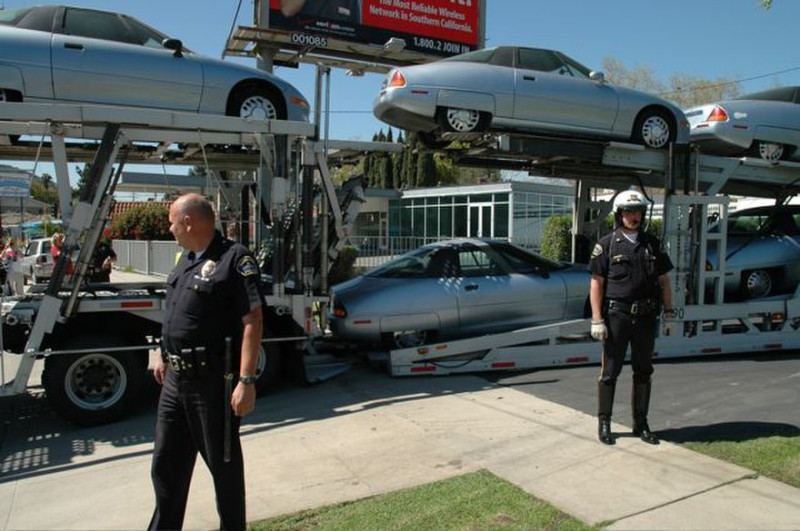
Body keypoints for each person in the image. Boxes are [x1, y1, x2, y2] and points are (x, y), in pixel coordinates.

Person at [149, 194, 264, 531]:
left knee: (224, 472)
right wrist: (162, 354)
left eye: (172, 221)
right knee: (165, 466)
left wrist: (246, 380)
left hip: (212, 383)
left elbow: (253, 320)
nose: (170, 228)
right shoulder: (185, 259)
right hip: (175, 382)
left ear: (189, 222)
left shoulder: (234, 259)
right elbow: (175, 313)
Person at [589, 188, 674, 446]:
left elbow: (664, 281)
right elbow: (596, 283)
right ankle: (605, 423)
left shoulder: (652, 245)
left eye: (637, 212)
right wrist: (596, 319)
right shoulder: (606, 244)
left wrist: (669, 313)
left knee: (644, 371)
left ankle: (641, 423)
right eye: (628, 212)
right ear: (619, 214)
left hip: (646, 318)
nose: (633, 216)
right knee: (610, 372)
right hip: (617, 317)